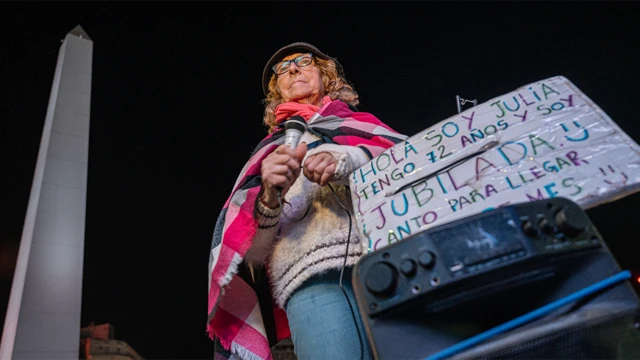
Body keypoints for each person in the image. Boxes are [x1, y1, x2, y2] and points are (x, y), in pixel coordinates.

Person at [207, 42, 407, 360]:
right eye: (283, 69)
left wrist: (352, 157)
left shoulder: (365, 127)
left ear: (326, 75)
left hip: (393, 261)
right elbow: (254, 254)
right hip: (312, 284)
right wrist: (271, 195)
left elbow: (411, 165)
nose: (294, 69)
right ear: (278, 93)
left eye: (303, 61)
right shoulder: (267, 154)